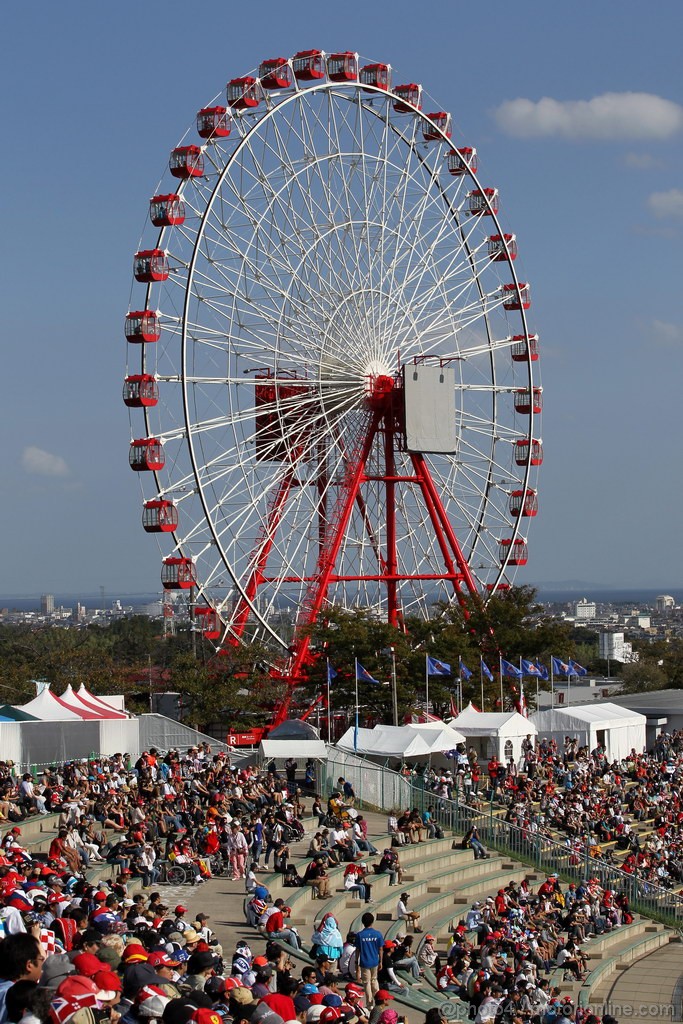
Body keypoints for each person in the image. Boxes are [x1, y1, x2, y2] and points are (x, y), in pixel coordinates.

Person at [354, 912, 385, 1008]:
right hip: (374, 961)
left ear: (363, 922)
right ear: (372, 921)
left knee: (366, 983)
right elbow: (380, 949)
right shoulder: (378, 934)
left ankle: (370, 1004)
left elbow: (357, 950)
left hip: (364, 962)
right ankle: (379, 1001)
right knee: (374, 981)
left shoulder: (359, 935)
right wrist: (381, 961)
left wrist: (356, 962)